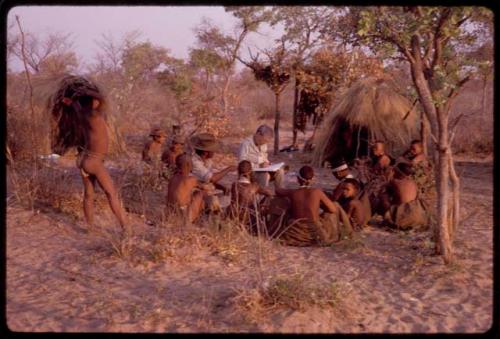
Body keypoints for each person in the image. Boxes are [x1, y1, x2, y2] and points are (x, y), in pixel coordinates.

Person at [50, 75, 130, 234]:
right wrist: (87, 90)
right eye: (93, 99)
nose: (97, 101)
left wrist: (73, 99)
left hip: (83, 159)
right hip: (93, 161)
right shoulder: (94, 115)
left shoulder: (80, 112)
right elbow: (101, 98)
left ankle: (90, 227)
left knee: (89, 194)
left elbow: (74, 103)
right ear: (91, 101)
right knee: (111, 193)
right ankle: (126, 229)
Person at [272, 166, 353, 246]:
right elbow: (333, 210)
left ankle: (271, 228)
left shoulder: (293, 192)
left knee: (282, 202)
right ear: (312, 179)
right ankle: (349, 233)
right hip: (314, 233)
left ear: (297, 179)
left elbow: (278, 191)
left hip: (295, 232)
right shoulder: (317, 192)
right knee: (335, 205)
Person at [190, 133, 236, 212]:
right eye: (213, 151)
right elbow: (212, 178)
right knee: (214, 202)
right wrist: (228, 169)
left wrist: (221, 187)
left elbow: (209, 180)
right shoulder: (194, 162)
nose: (214, 153)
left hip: (204, 190)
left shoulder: (208, 160)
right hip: (193, 192)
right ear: (206, 152)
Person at [227, 160, 274, 234]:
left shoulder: (234, 185)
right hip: (248, 218)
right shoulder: (255, 186)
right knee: (266, 200)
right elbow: (270, 194)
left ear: (238, 172)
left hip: (234, 215)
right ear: (251, 171)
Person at [382, 163, 429, 231]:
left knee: (383, 195)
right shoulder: (413, 183)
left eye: (394, 171)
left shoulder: (394, 182)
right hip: (417, 215)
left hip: (402, 217)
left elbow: (385, 184)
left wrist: (388, 175)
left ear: (397, 172)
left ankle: (389, 218)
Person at [166, 154, 205, 223]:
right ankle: (195, 218)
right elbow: (203, 187)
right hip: (183, 213)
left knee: (190, 195)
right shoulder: (191, 179)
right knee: (200, 193)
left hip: (170, 211)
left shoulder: (173, 178)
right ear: (188, 165)